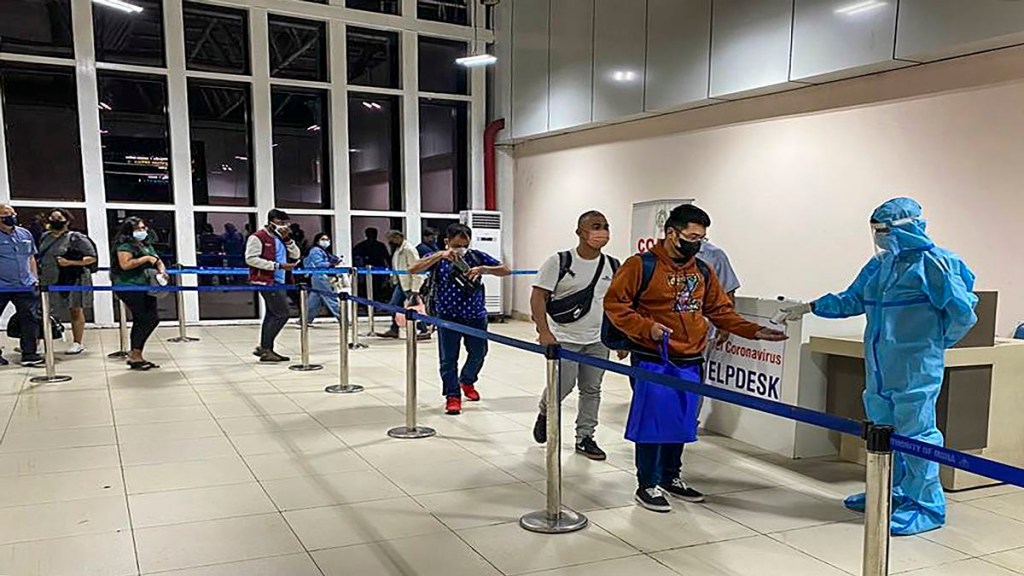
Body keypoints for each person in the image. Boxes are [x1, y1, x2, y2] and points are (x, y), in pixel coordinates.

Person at [779, 197, 978, 536]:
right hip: (880, 368)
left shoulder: (936, 264)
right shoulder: (880, 265)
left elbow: (962, 313)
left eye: (884, 230)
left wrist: (933, 345)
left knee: (916, 435)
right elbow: (852, 299)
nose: (879, 237)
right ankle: (889, 492)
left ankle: (926, 506)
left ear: (907, 227)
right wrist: (810, 307)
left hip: (915, 367)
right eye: (875, 231)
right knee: (883, 432)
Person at [604, 204, 786, 513]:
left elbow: (719, 310)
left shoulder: (701, 270)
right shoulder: (640, 265)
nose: (697, 243)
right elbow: (615, 304)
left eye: (701, 238)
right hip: (653, 357)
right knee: (653, 422)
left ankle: (670, 476)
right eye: (691, 237)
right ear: (671, 233)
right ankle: (647, 483)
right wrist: (647, 328)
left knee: (681, 420)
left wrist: (753, 331)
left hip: (691, 358)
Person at [530, 211, 618, 460]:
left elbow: (616, 304)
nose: (602, 232)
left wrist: (620, 338)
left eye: (605, 226)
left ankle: (585, 437)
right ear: (580, 232)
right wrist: (544, 331)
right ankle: (545, 411)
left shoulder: (613, 265)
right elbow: (538, 296)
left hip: (598, 340)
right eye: (596, 226)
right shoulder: (560, 261)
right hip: (564, 338)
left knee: (592, 389)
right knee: (562, 386)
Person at [409, 223, 510, 415]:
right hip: (447, 316)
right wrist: (441, 255)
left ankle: (467, 380)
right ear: (447, 242)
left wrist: (484, 269)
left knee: (478, 353)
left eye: (465, 245)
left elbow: (505, 270)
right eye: (456, 246)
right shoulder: (438, 258)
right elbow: (413, 269)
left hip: (476, 315)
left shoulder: (476, 256)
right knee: (448, 358)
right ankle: (452, 395)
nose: (461, 249)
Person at [37, 208, 97, 355]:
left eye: (59, 218)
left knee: (75, 309)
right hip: (48, 279)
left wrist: (69, 262)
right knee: (44, 311)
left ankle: (77, 343)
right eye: (52, 218)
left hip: (72, 279)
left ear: (67, 220)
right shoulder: (45, 237)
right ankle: (37, 342)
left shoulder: (77, 238)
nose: (55, 221)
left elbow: (91, 257)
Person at [111, 217, 167, 370]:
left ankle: (136, 354)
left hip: (145, 286)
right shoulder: (125, 246)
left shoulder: (146, 245)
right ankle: (135, 355)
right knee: (147, 318)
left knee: (145, 319)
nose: (143, 231)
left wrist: (162, 271)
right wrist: (145, 258)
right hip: (129, 286)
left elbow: (157, 260)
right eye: (139, 229)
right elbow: (125, 264)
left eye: (144, 228)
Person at [246, 209, 300, 363]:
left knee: (271, 314)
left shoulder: (281, 238)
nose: (284, 226)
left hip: (281, 280)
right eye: (280, 223)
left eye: (286, 223)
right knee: (283, 313)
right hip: (267, 281)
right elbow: (251, 259)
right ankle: (266, 348)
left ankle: (265, 348)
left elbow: (296, 255)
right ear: (271, 222)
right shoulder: (257, 237)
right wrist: (277, 266)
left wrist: (288, 239)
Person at [0, 205, 42, 367]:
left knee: (29, 319)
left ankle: (29, 354)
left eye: (12, 214)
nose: (10, 217)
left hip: (25, 285)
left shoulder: (25, 233)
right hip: (2, 285)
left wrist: (34, 278)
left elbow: (31, 257)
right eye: (5, 214)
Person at [377, 230, 430, 340]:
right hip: (401, 283)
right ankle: (394, 329)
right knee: (394, 305)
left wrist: (415, 289)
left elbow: (416, 268)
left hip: (410, 284)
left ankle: (424, 329)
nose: (390, 242)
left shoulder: (409, 250)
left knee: (415, 308)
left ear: (398, 237)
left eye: (391, 239)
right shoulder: (398, 250)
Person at [302, 232, 343, 324]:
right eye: (323, 239)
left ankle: (305, 319)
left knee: (314, 299)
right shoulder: (315, 250)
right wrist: (332, 263)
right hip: (320, 276)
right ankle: (342, 318)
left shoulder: (323, 251)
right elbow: (319, 264)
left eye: (327, 240)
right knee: (330, 297)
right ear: (317, 241)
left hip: (319, 276)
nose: (326, 241)